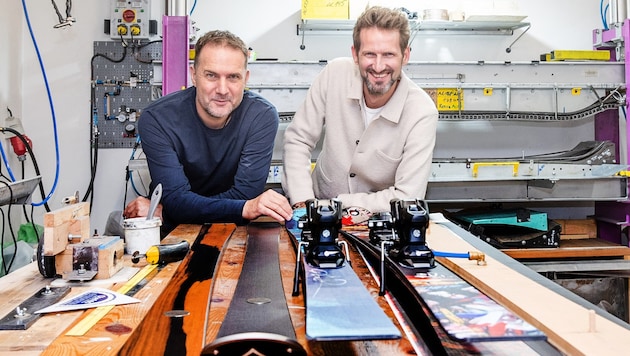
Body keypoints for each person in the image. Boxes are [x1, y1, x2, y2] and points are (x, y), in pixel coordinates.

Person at [123, 30, 293, 235]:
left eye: (233, 77)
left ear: (245, 79)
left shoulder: (261, 117)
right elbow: (178, 200)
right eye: (211, 75)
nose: (222, 89)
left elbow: (245, 193)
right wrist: (242, 208)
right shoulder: (157, 119)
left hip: (231, 232)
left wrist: (172, 211)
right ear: (194, 75)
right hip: (171, 234)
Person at [282, 6, 439, 213]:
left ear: (405, 55)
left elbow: (408, 196)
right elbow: (298, 140)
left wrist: (339, 204)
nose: (379, 66)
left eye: (389, 54)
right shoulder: (334, 74)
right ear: (355, 54)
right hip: (317, 207)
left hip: (377, 219)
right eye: (370, 54)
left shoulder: (422, 111)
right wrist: (304, 203)